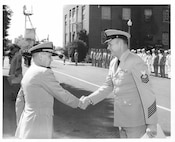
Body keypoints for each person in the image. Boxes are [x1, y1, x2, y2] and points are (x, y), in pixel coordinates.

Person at [79, 29, 158, 138]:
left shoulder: (136, 61)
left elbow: (148, 93)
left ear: (119, 43)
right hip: (121, 119)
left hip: (136, 122)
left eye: (110, 44)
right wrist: (89, 99)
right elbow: (108, 86)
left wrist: (152, 123)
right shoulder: (113, 63)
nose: (108, 48)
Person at [15, 42, 82, 139]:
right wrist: (79, 103)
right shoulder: (44, 72)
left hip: (27, 123)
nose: (51, 60)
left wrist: (20, 125)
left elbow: (19, 101)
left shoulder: (29, 71)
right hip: (39, 124)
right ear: (41, 56)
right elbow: (61, 93)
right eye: (50, 56)